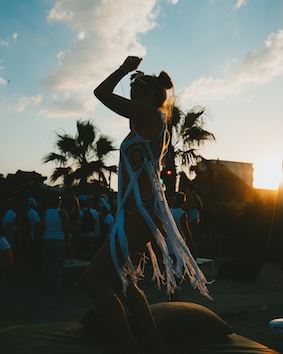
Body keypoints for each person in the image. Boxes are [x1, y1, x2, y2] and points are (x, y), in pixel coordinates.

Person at [82, 56, 210, 354]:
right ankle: (155, 344)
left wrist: (124, 70)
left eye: (136, 90)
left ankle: (131, 346)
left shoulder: (149, 114)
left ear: (149, 96)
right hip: (139, 213)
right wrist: (135, 79)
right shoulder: (145, 120)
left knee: (92, 281)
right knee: (125, 283)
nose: (131, 94)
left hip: (140, 213)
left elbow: (100, 94)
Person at [42, 194, 69, 295]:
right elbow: (66, 228)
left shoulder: (45, 213)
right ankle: (54, 288)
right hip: (59, 239)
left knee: (47, 264)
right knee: (56, 265)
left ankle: (45, 286)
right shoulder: (62, 213)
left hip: (48, 238)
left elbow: (43, 226)